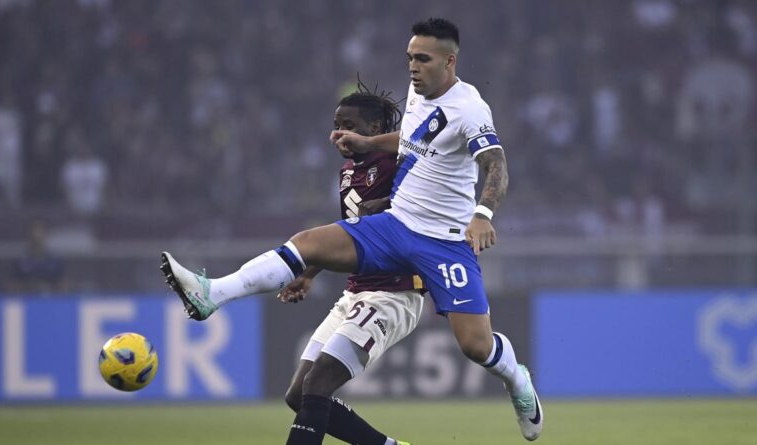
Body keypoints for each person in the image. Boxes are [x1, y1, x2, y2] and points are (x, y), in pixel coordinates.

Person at [161, 18, 543, 444]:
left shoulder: (469, 108)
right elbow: (413, 138)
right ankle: (213, 293)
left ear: (450, 61)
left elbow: (496, 164)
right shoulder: (418, 92)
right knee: (308, 245)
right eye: (410, 58)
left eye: (423, 59)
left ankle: (517, 378)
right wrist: (370, 144)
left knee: (476, 346)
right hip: (397, 224)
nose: (413, 67)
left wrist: (483, 214)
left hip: (445, 242)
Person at [279, 80, 420, 445]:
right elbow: (352, 235)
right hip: (356, 292)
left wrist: (390, 203)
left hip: (394, 294)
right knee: (299, 394)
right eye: (336, 125)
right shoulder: (347, 173)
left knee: (318, 383)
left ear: (374, 129)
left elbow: (426, 174)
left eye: (349, 125)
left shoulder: (397, 161)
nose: (339, 134)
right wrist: (310, 273)